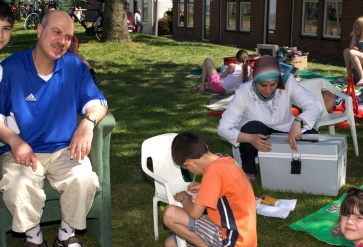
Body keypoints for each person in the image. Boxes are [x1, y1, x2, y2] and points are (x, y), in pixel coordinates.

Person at [0, 10, 108, 247]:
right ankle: (34, 238)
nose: (62, 41)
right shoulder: (10, 68)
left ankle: (65, 236)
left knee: (83, 178)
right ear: (39, 30)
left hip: (64, 149)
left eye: (68, 37)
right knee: (17, 184)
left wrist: (87, 124)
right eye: (56, 32)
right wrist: (14, 141)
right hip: (22, 149)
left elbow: (98, 103)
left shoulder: (73, 67)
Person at [217, 55, 322, 182]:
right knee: (252, 128)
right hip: (257, 130)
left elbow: (315, 105)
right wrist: (249, 138)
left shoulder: (287, 82)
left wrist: (298, 121)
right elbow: (223, 128)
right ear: (255, 81)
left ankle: (295, 165)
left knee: (312, 137)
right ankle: (249, 170)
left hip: (284, 127)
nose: (268, 90)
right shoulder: (244, 91)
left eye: (273, 84)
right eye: (263, 85)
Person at [163, 132, 257, 247]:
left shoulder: (212, 172)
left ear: (189, 163)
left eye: (186, 168)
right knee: (171, 243)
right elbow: (227, 182)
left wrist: (183, 197)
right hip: (246, 235)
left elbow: (194, 214)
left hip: (232, 239)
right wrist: (204, 185)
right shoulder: (224, 158)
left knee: (170, 213)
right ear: (205, 146)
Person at [339, 16, 363, 86]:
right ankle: (349, 76)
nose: (355, 30)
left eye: (357, 29)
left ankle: (362, 77)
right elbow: (351, 47)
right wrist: (354, 35)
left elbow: (355, 49)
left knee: (352, 52)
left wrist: (358, 49)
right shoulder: (358, 36)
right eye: (354, 28)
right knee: (346, 51)